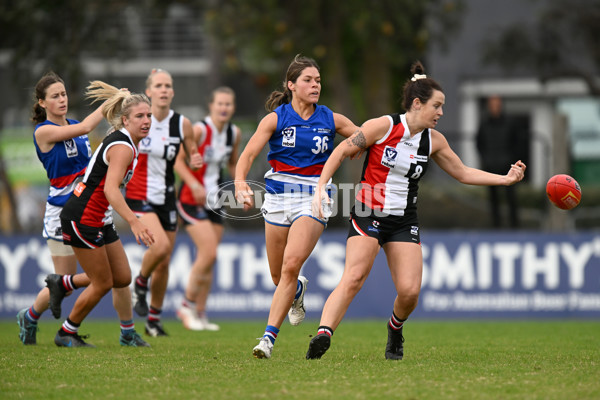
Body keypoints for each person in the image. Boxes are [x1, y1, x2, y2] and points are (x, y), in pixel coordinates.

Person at [305, 61, 526, 360]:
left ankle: (395, 329)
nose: (441, 113)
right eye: (437, 106)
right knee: (354, 276)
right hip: (369, 212)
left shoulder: (434, 141)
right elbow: (342, 150)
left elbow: (461, 172)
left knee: (409, 293)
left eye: (443, 106)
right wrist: (321, 186)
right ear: (417, 103)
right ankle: (323, 335)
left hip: (403, 220)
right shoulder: (382, 126)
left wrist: (505, 178)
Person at [234, 54, 358, 359]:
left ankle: (267, 339)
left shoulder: (330, 118)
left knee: (291, 266)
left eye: (317, 80)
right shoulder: (277, 118)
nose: (315, 85)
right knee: (281, 278)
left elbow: (363, 136)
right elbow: (248, 155)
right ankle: (297, 292)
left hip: (313, 198)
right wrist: (240, 182)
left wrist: (356, 146)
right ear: (291, 85)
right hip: (277, 198)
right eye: (308, 80)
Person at [17, 72, 149, 348]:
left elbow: (97, 170)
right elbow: (88, 126)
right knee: (88, 281)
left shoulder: (81, 128)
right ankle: (31, 316)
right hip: (64, 211)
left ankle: (127, 332)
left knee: (117, 278)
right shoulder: (44, 131)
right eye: (55, 96)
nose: (62, 100)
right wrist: (114, 101)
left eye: (64, 94)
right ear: (42, 103)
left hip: (92, 206)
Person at [55, 81, 155, 347]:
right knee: (102, 283)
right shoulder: (123, 146)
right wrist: (134, 222)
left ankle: (63, 283)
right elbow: (111, 190)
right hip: (82, 217)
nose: (146, 121)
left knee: (122, 278)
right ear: (125, 120)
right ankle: (67, 332)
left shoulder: (127, 141)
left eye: (149, 116)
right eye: (139, 116)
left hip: (98, 217)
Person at [128, 69, 202, 337]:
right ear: (148, 91)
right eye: (158, 85)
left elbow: (192, 152)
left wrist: (195, 160)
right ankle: (140, 283)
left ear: (172, 92)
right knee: (158, 248)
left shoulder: (182, 124)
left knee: (164, 261)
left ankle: (153, 320)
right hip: (139, 195)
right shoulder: (138, 121)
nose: (163, 90)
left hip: (167, 199)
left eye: (168, 85)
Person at [174, 87, 241, 331]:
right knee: (209, 252)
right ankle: (186, 306)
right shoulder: (200, 130)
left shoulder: (234, 133)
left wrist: (240, 188)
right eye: (220, 103)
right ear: (211, 106)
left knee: (209, 259)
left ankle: (200, 314)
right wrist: (193, 183)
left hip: (216, 199)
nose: (224, 108)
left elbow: (233, 163)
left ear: (233, 108)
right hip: (191, 198)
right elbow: (178, 160)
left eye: (228, 104)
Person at [476, 95, 520, 228]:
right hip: (491, 166)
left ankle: (514, 227)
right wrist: (486, 159)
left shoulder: (510, 123)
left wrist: (511, 160)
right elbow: (479, 143)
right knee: (493, 199)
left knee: (511, 198)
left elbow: (517, 143)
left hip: (508, 166)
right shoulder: (484, 124)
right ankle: (496, 227)